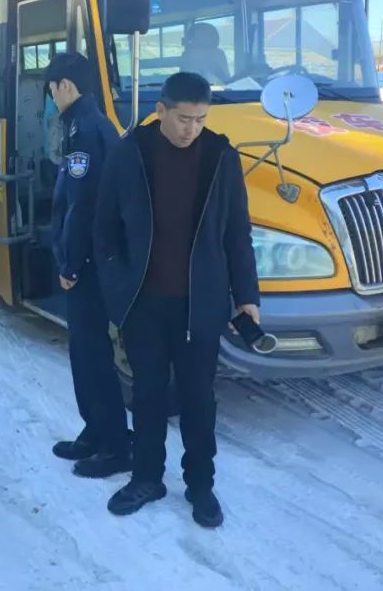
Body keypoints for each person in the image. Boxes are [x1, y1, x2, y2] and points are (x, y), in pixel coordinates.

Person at [94, 72, 260, 528]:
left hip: (200, 305)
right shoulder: (130, 154)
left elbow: (236, 232)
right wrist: (117, 288)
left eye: (201, 119)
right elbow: (104, 226)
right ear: (161, 110)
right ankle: (147, 478)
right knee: (148, 395)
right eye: (184, 118)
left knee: (198, 399)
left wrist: (246, 296)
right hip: (143, 304)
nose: (192, 129)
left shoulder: (220, 156)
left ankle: (201, 486)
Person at [45, 53, 131, 479]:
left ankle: (115, 445)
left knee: (92, 353)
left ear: (64, 86)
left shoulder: (84, 131)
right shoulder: (90, 124)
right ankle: (95, 431)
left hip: (90, 265)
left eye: (51, 89)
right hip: (93, 260)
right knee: (84, 350)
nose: (51, 98)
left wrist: (72, 263)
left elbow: (81, 206)